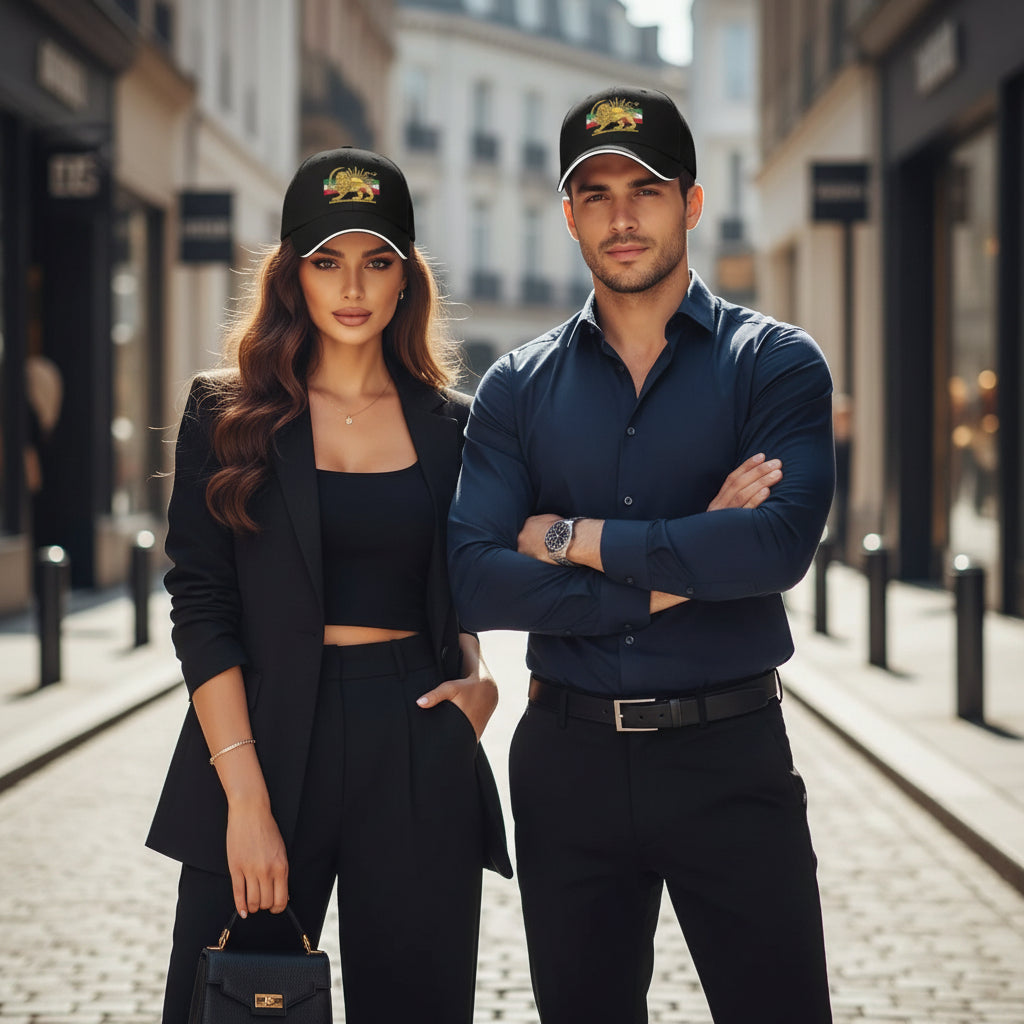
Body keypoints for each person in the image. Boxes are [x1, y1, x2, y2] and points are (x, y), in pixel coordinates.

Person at [448, 87, 835, 1024]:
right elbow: (473, 573)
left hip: (729, 757)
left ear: (692, 203)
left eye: (648, 189)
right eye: (596, 194)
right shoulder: (516, 386)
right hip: (565, 765)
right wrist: (678, 570)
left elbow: (775, 545)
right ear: (570, 214)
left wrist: (569, 538)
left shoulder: (775, 364)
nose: (622, 217)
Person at [147, 146, 511, 1024]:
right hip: (263, 737)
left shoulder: (453, 427)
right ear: (292, 276)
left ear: (404, 280)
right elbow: (200, 606)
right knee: (233, 1006)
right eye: (327, 261)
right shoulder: (225, 412)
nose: (352, 286)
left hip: (416, 738)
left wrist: (475, 680)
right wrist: (245, 799)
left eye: (377, 260)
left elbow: (464, 577)